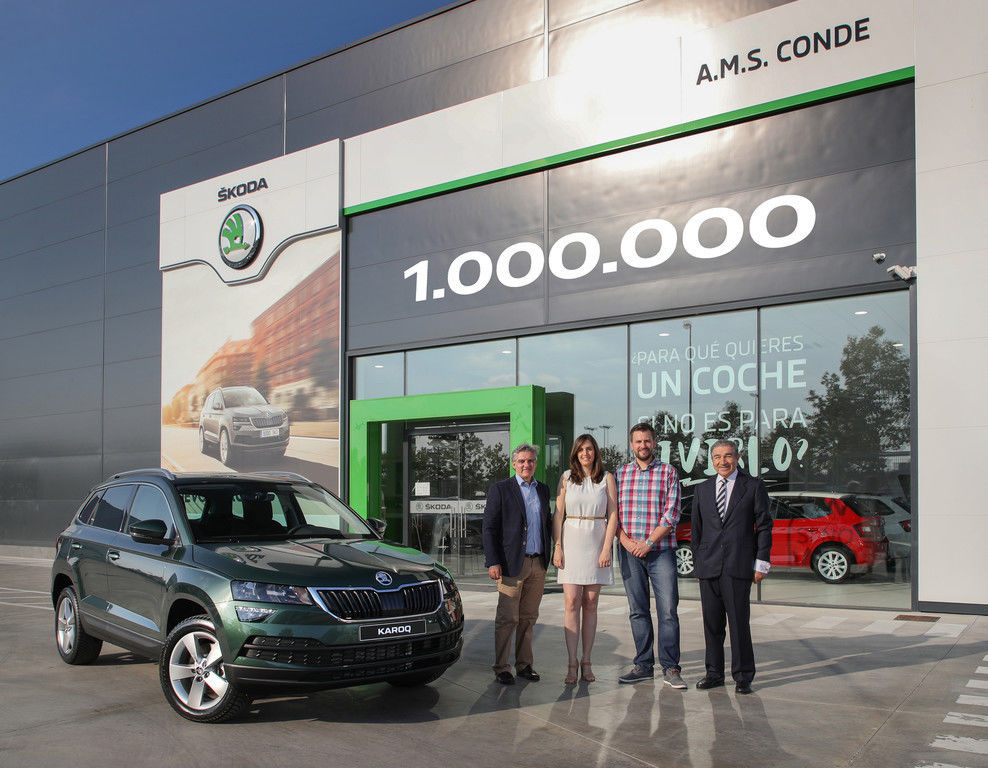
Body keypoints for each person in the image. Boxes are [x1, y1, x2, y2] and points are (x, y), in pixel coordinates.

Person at [692, 439, 773, 695]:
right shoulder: (703, 489)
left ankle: (743, 676)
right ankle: (714, 673)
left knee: (739, 624)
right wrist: (698, 565)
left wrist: (762, 562)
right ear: (712, 460)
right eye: (717, 457)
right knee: (712, 624)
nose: (722, 461)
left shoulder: (753, 486)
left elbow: (764, 526)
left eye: (728, 456)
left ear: (737, 458)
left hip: (738, 565)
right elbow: (697, 531)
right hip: (709, 566)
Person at [614, 422, 686, 689]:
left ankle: (671, 668)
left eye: (647, 441)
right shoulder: (620, 474)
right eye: (638, 441)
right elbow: (612, 514)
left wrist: (648, 542)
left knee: (668, 610)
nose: (642, 445)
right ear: (631, 444)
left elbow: (672, 513)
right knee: (638, 611)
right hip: (629, 552)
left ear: (654, 443)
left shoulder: (668, 472)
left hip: (661, 551)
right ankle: (643, 666)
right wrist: (626, 542)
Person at [482, 442, 552, 685]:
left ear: (536, 464)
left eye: (530, 460)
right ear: (514, 464)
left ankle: (524, 665)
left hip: (538, 563)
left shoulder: (543, 490)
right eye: (521, 461)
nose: (526, 465)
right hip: (511, 564)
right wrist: (493, 561)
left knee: (528, 618)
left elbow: (547, 523)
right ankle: (502, 667)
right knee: (508, 618)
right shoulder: (501, 489)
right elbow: (489, 528)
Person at [552, 434, 619, 684]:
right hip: (571, 541)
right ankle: (571, 662)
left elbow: (613, 514)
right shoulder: (566, 478)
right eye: (581, 450)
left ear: (595, 452)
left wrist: (606, 548)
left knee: (590, 603)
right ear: (575, 453)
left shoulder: (607, 478)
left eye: (589, 449)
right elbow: (558, 515)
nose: (585, 454)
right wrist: (557, 547)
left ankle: (587, 660)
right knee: (571, 602)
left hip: (596, 541)